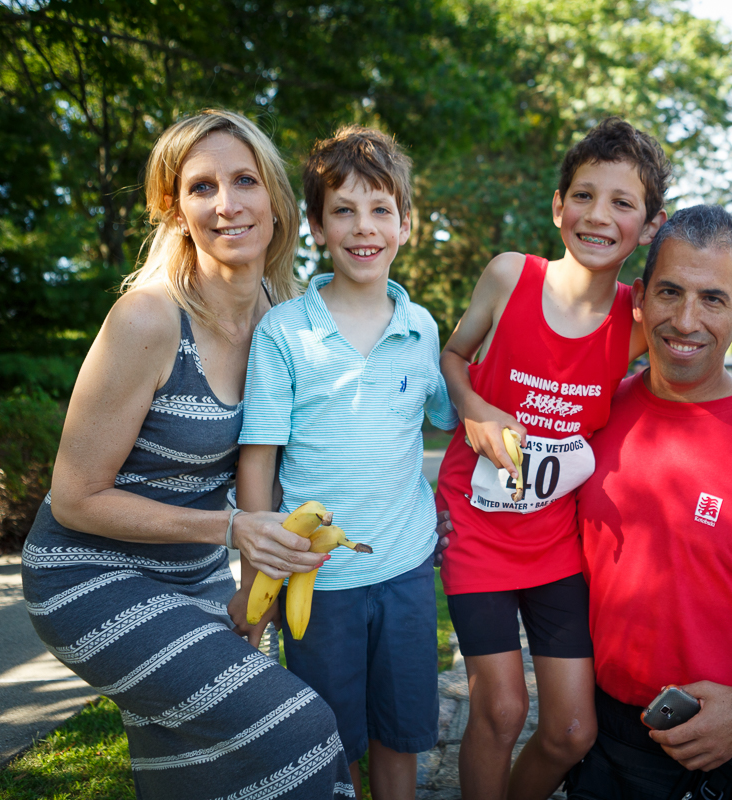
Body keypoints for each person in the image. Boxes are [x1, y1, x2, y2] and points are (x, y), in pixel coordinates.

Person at [436, 119, 732, 800]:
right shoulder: (511, 276)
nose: (598, 216)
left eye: (622, 203)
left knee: (572, 731)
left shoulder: (636, 320)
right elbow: (454, 356)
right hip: (477, 527)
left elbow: (693, 344)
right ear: (558, 206)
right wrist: (474, 407)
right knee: (503, 708)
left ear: (650, 225)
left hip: (555, 541)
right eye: (584, 196)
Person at [21, 109, 353, 799]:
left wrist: (251, 593)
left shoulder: (282, 315)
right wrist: (229, 529)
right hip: (85, 577)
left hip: (197, 579)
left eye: (244, 181)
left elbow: (263, 473)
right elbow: (77, 496)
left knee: (194, 773)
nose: (227, 204)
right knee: (299, 729)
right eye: (202, 188)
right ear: (175, 211)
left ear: (275, 199)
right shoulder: (147, 319)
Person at [569, 204, 732, 799]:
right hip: (603, 737)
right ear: (638, 298)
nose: (686, 320)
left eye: (712, 299)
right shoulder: (591, 414)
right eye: (669, 292)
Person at [231, 126, 458, 800]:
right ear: (317, 227)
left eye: (381, 209)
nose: (365, 227)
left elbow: (454, 409)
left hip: (406, 571)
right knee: (332, 742)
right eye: (345, 211)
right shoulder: (285, 331)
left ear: (406, 224)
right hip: (316, 580)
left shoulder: (421, 330)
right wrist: (256, 578)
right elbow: (258, 460)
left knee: (401, 736)